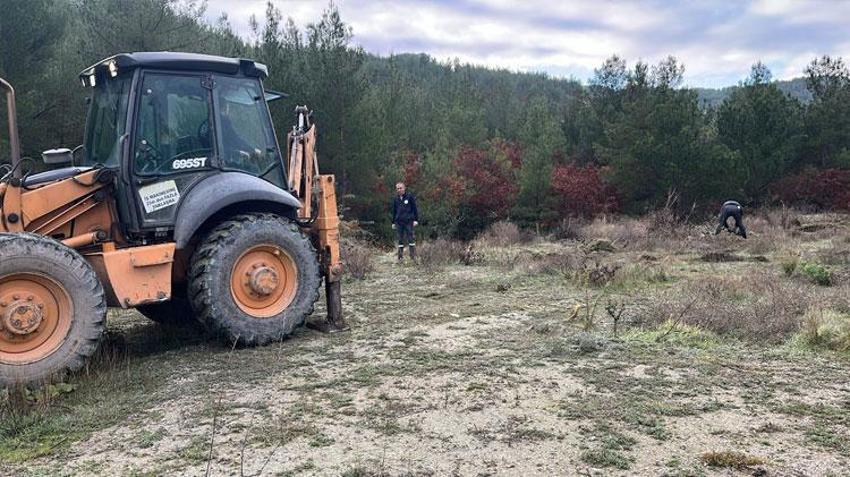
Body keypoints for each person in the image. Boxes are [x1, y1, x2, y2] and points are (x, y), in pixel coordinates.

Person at [391, 182, 419, 262]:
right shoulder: (395, 199)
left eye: (400, 188)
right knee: (400, 239)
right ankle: (400, 257)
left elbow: (415, 209)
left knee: (410, 238)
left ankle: (413, 256)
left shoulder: (409, 197)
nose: (399, 190)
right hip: (399, 222)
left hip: (408, 221)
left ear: (404, 188)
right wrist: (393, 222)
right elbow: (394, 211)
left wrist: (416, 220)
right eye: (397, 188)